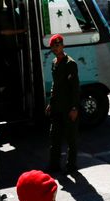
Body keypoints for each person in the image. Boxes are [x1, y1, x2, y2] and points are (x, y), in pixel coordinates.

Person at [46, 34, 80, 173]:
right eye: (53, 46)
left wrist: (74, 108)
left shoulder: (70, 64)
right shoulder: (54, 62)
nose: (56, 48)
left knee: (71, 138)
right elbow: (55, 85)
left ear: (63, 46)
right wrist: (50, 103)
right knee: (54, 137)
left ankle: (71, 166)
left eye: (58, 45)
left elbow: (75, 88)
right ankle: (54, 165)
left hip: (68, 107)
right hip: (57, 108)